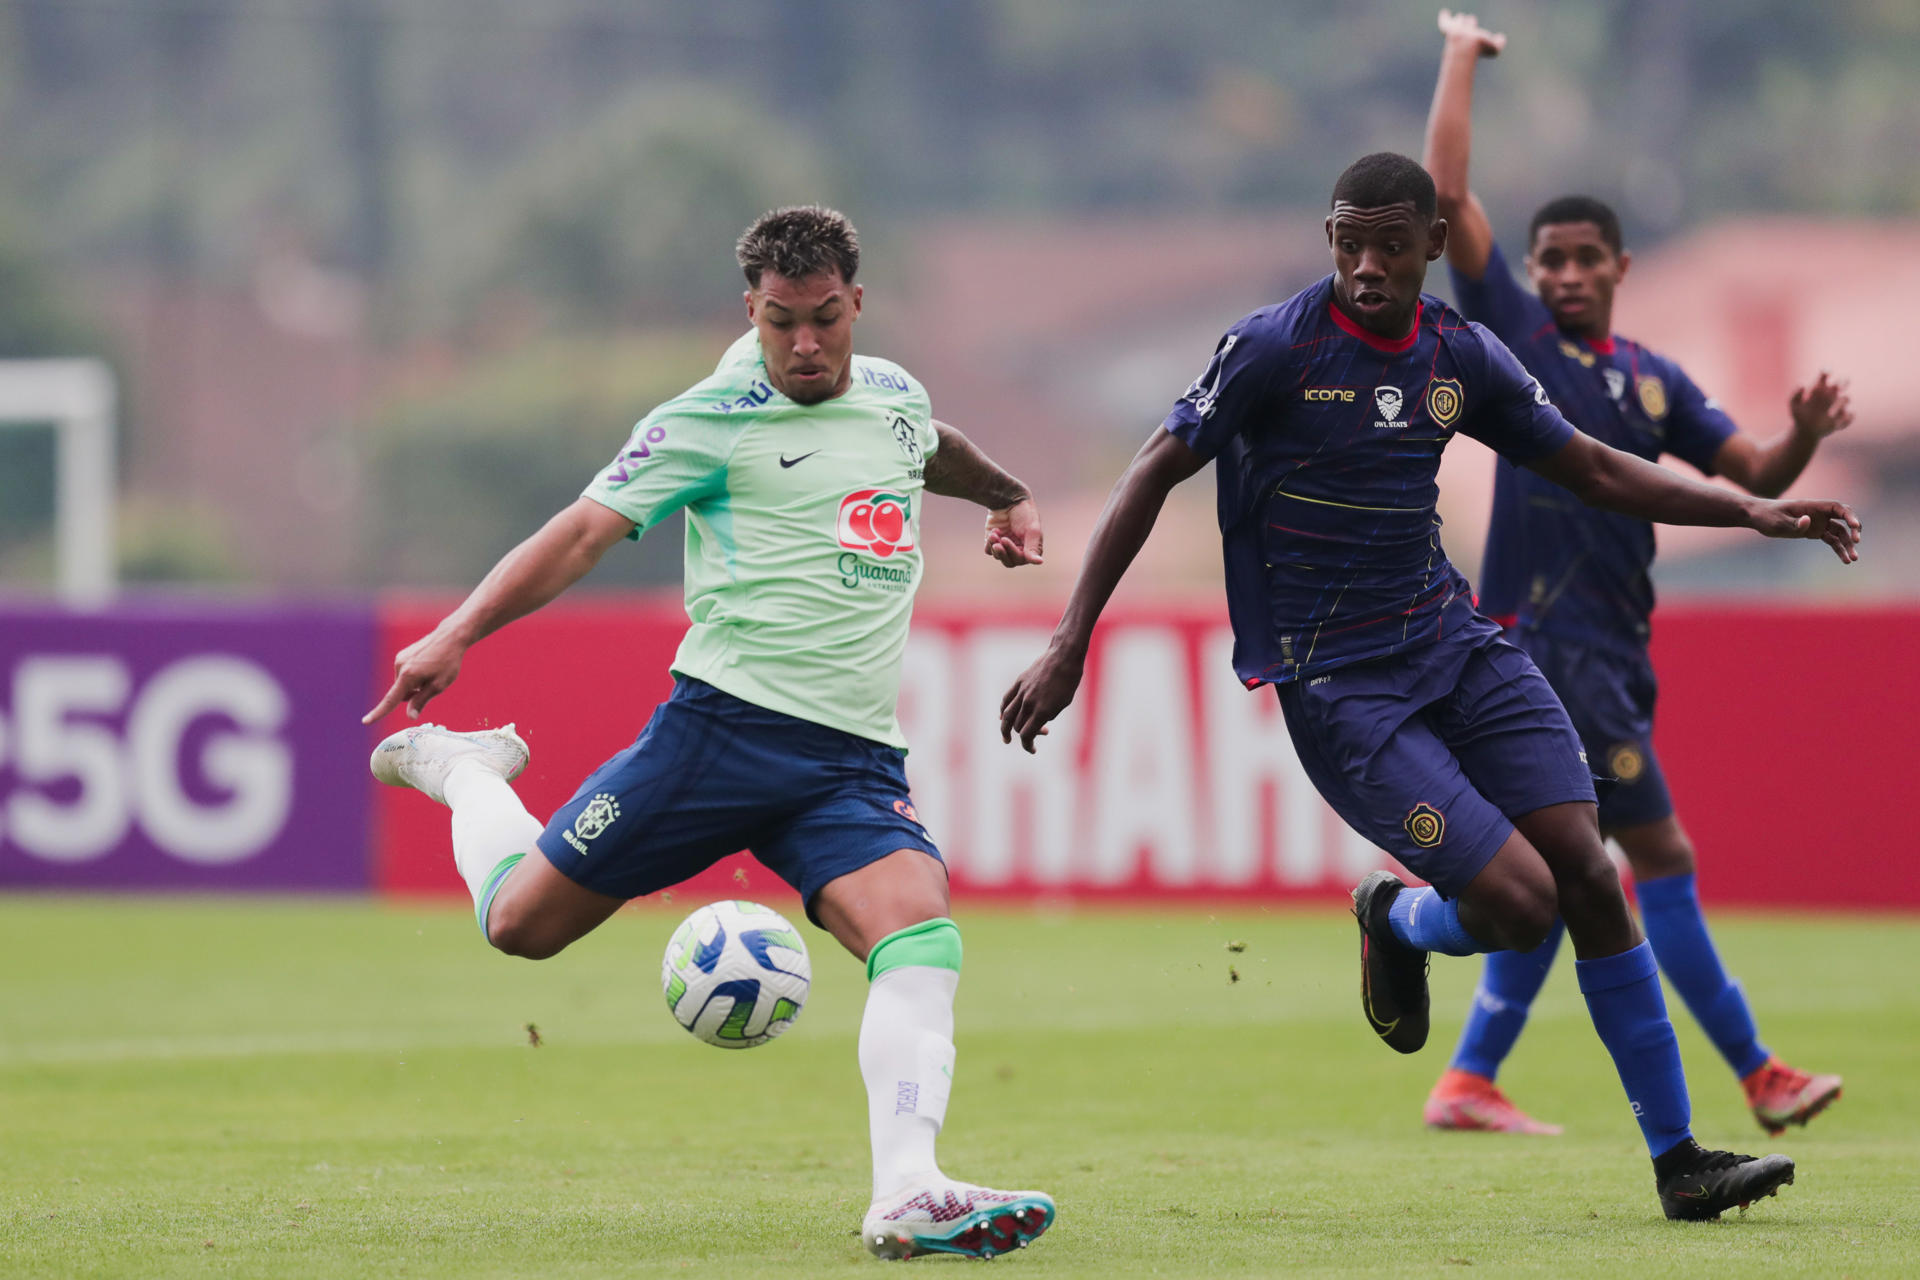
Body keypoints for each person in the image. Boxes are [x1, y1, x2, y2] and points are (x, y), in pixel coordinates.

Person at [998, 152, 1860, 1221]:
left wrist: (1751, 508)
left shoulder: (1463, 353)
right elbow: (1153, 467)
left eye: (1390, 245)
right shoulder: (1273, 346)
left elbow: (1590, 465)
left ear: (1430, 248)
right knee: (1519, 902)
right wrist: (1072, 640)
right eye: (1349, 243)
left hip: (1456, 645)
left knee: (1589, 875)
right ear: (1329, 241)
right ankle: (1401, 921)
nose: (1367, 265)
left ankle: (1679, 1158)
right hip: (1342, 685)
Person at [362, 206, 1055, 1262]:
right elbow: (583, 532)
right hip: (719, 736)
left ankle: (909, 1187)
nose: (807, 345)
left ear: (857, 303)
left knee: (920, 933)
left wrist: (1003, 494)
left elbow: (928, 447)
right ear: (752, 312)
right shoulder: (708, 417)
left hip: (851, 762)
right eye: (784, 324)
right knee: (520, 924)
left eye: (826, 319)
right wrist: (459, 629)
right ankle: (465, 769)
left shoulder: (894, 396)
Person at [1418, 9, 1848, 1139]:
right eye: (1546, 257)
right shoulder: (1513, 338)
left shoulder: (1654, 383)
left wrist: (1798, 440)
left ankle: (1458, 1052)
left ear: (1619, 269)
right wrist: (1461, 54)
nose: (1560, 274)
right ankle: (1755, 1069)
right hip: (1545, 652)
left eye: (1581, 258)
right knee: (1657, 854)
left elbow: (1751, 467)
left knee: (1568, 878)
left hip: (1614, 649)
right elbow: (1448, 199)